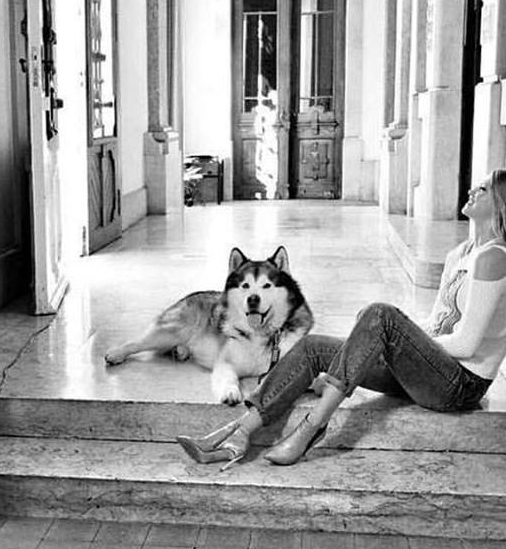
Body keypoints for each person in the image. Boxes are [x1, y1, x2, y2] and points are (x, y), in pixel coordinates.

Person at [177, 169, 506, 470]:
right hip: (427, 372)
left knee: (380, 315)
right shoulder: (460, 253)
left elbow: (466, 344)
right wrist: (390, 346)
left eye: (484, 188)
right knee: (315, 346)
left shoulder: (494, 258)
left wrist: (400, 343)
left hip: (459, 386)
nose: (472, 190)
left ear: (502, 203)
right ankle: (238, 433)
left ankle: (311, 428)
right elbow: (436, 323)